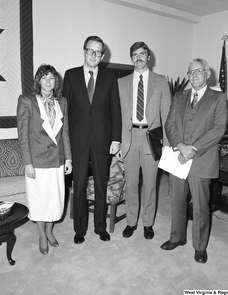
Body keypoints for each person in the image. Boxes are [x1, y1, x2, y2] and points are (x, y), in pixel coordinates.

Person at [161, 58, 227, 263]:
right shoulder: (179, 96)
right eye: (190, 72)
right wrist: (180, 146)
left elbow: (218, 129)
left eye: (199, 71)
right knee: (177, 201)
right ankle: (177, 238)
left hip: (202, 159)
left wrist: (192, 149)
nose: (194, 75)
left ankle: (199, 247)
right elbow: (169, 124)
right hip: (178, 158)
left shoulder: (218, 97)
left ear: (208, 73)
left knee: (200, 205)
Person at [62, 36, 122, 244]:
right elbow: (65, 111)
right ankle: (79, 229)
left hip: (102, 140)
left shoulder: (110, 77)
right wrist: (65, 142)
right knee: (78, 187)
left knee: (100, 185)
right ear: (84, 51)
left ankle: (100, 227)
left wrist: (116, 139)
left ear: (103, 55)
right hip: (78, 141)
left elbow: (115, 110)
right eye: (90, 51)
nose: (94, 55)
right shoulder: (70, 75)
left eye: (98, 52)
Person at [117, 41, 171, 240]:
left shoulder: (161, 81)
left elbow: (167, 115)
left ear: (149, 57)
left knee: (150, 185)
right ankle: (131, 222)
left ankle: (148, 223)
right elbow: (117, 114)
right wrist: (118, 141)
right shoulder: (121, 83)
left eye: (142, 54)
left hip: (152, 139)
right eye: (134, 54)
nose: (138, 57)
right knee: (131, 185)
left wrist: (167, 143)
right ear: (131, 58)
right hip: (129, 138)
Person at [17, 64, 72, 255]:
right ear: (38, 81)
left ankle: (49, 230)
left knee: (55, 199)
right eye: (44, 78)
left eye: (52, 78)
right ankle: (41, 233)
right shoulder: (27, 101)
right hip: (37, 162)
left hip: (57, 160)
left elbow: (65, 132)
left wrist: (69, 159)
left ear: (56, 81)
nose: (49, 81)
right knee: (39, 200)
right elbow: (23, 135)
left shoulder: (62, 101)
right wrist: (27, 163)